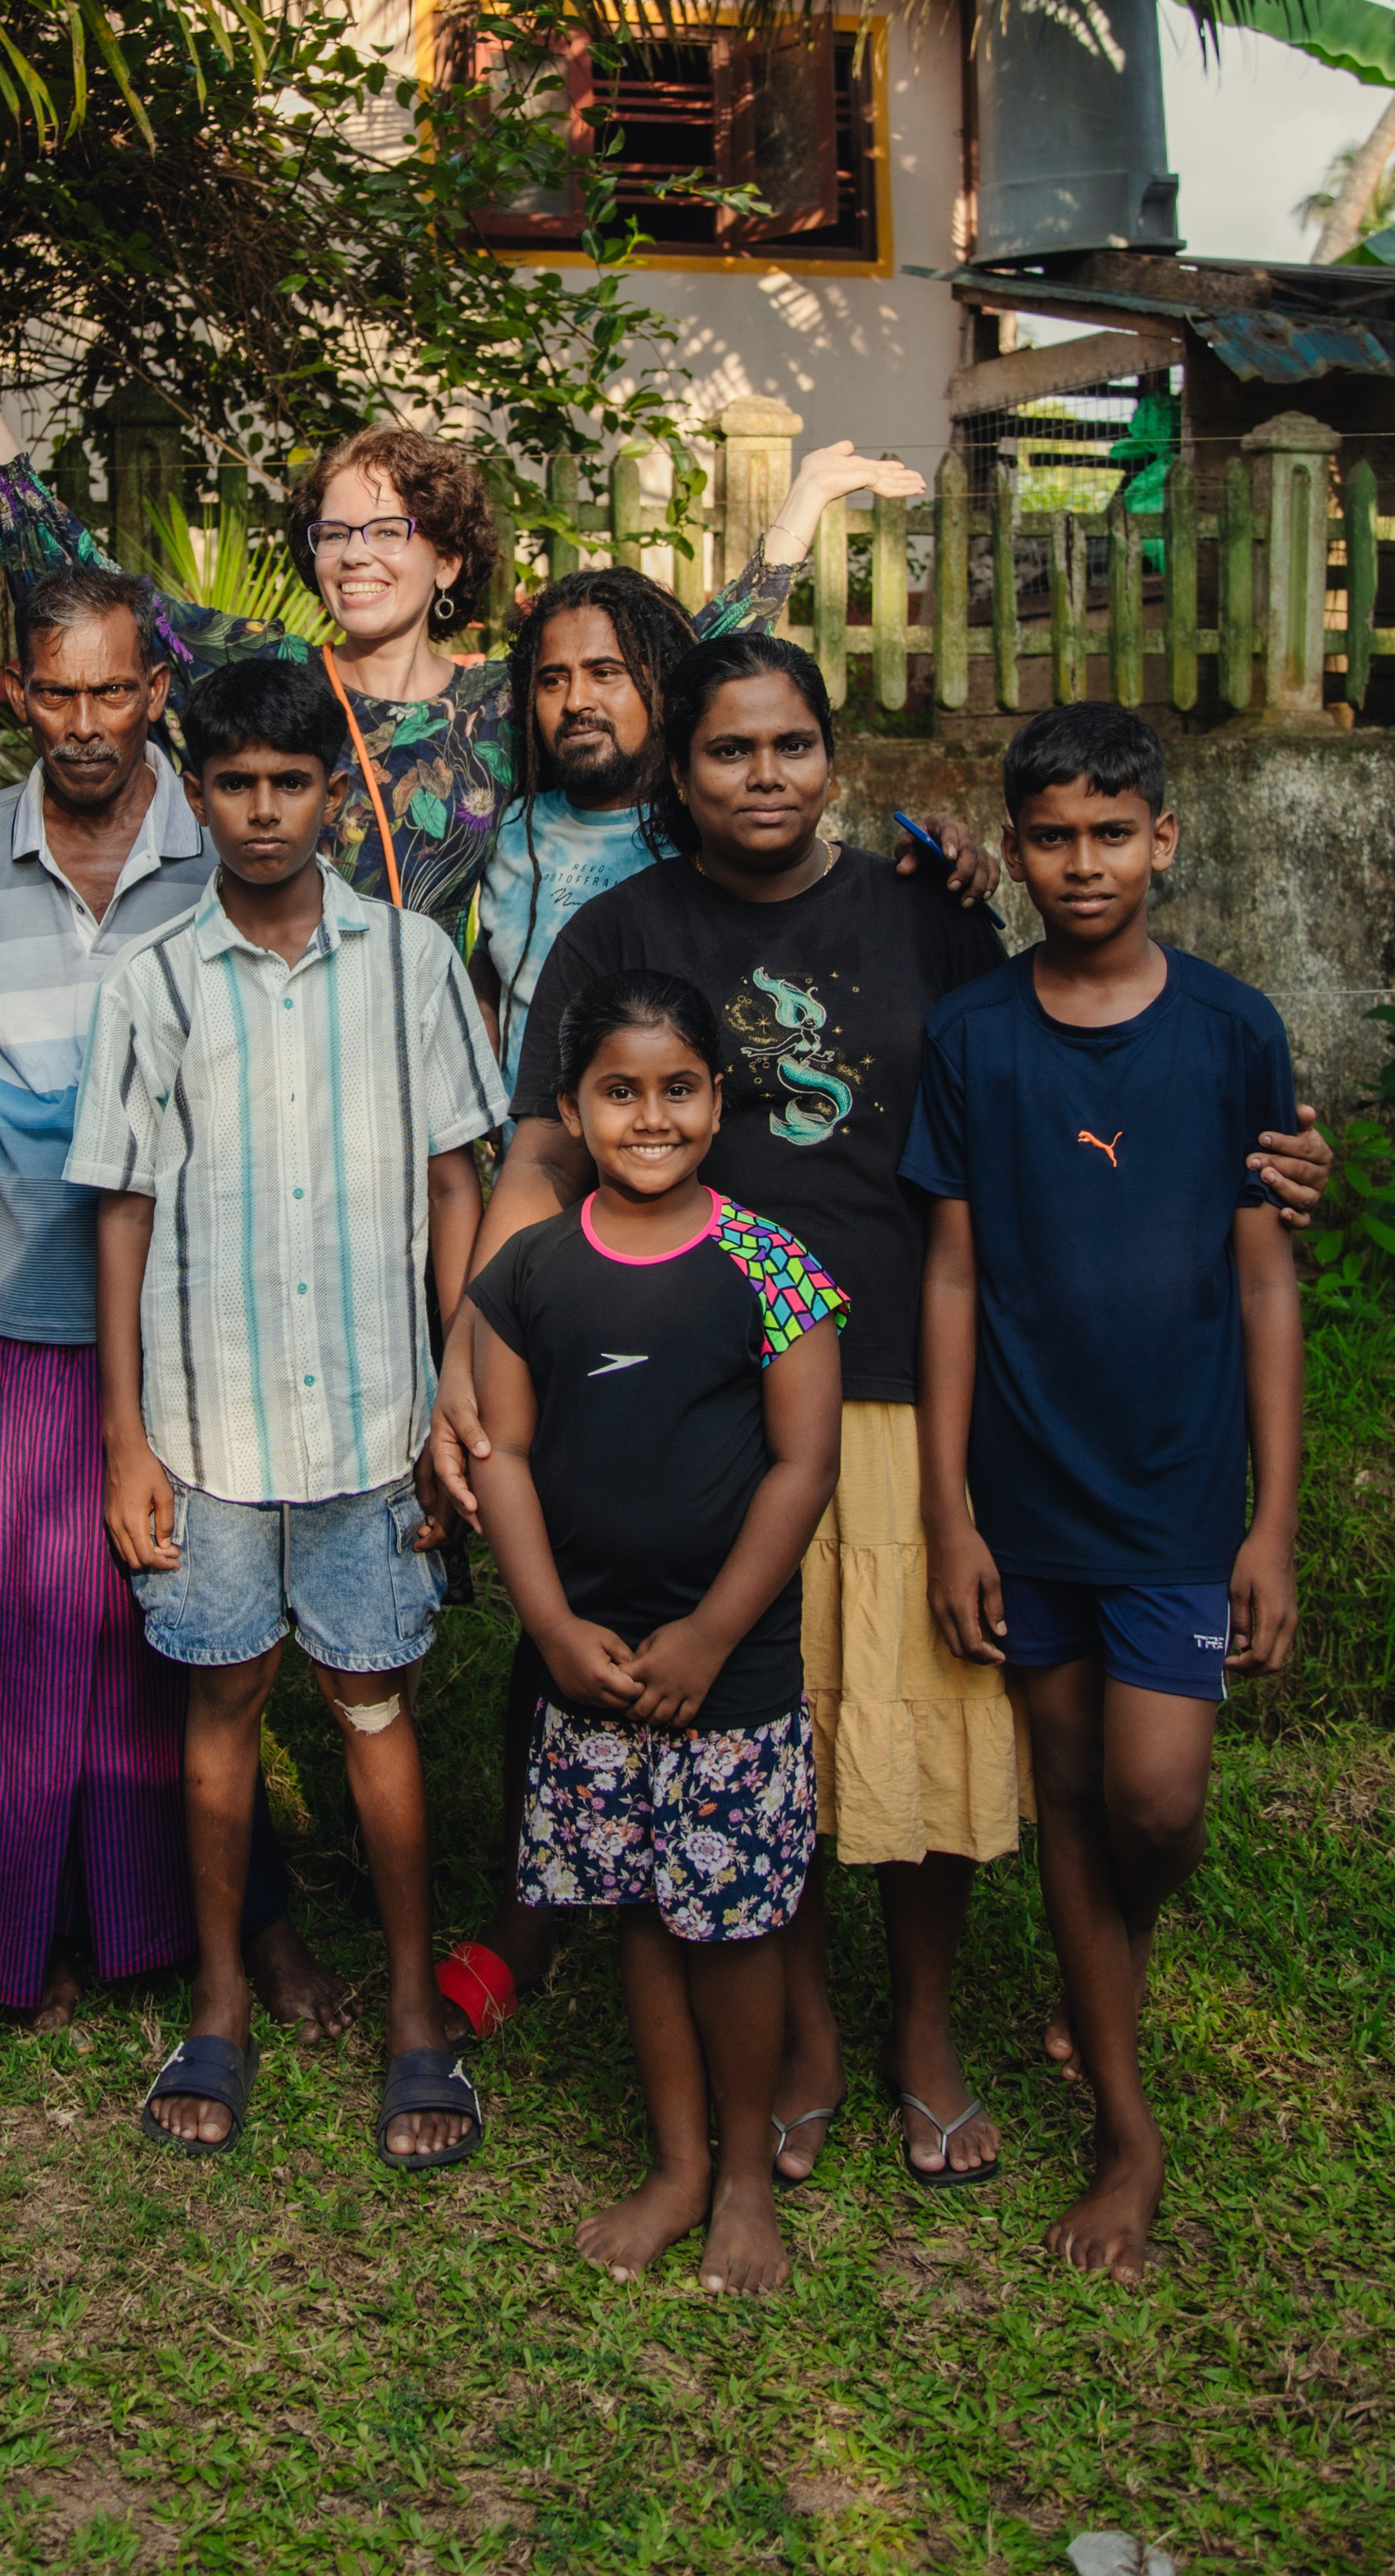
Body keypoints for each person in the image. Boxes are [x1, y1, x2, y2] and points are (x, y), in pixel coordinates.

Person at [433, 636, 1332, 2188]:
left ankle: (922, 2027)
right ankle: (800, 2036)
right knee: (769, 1726)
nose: (763, 776)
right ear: (680, 771)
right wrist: (471, 1339)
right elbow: (535, 1157)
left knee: (919, 1727)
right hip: (701, 1399)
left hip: (909, 1385)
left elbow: (1048, 1091)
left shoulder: (931, 918)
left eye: (792, 746)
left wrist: (1257, 1164)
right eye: (728, 751)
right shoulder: (618, 928)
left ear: (838, 758)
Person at [0, 316, 939, 945]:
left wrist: (799, 509)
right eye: (331, 533)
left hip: (446, 1054)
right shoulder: (263, 670)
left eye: (387, 528)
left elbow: (681, 667)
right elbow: (79, 586)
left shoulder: (511, 697)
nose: (355, 553)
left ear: (447, 559)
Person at [0, 562, 347, 2037]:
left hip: (205, 1310)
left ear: (156, 692)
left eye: (114, 691)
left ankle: (211, 1921)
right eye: (55, 692)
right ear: (16, 694)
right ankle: (32, 1935)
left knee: (187, 1620)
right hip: (29, 1301)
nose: (85, 724)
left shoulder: (224, 836)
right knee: (29, 1619)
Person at [69, 661, 508, 2163]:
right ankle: (219, 2004)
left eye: (292, 784)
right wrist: (127, 1435)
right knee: (223, 1707)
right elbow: (121, 1210)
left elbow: (460, 1177)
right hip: (208, 1425)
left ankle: (410, 2012)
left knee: (373, 1701)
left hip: (379, 1424)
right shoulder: (155, 983)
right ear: (198, 797)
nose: (263, 811)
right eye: (236, 783)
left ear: (339, 794)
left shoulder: (413, 965)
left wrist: (455, 1388)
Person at [906, 702, 1301, 2280]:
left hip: (1180, 1494)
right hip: (1026, 1487)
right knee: (1070, 1789)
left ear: (1165, 843)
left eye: (1112, 834)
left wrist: (1271, 1517)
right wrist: (948, 1508)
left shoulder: (1229, 1030)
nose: (1084, 865)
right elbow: (948, 1278)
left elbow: (1266, 1274)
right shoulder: (976, 1038)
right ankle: (1125, 2130)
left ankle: (1109, 1968)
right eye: (1053, 837)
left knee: (1158, 1798)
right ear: (1013, 852)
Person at [469, 967, 845, 2290]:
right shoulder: (529, 1272)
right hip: (594, 1664)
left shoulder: (772, 1266)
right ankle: (678, 2164)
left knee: (730, 1925)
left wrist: (709, 1635)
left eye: (678, 1089)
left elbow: (802, 1467)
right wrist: (554, 1629)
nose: (650, 1117)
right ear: (570, 1108)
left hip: (726, 1670)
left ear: (718, 1100)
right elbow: (505, 1455)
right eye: (619, 1092)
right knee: (640, 1909)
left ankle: (746, 2173)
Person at [469, 567, 698, 1086]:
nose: (575, 702)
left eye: (605, 672)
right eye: (554, 679)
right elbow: (494, 960)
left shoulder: (703, 836)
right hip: (528, 1158)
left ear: (658, 686)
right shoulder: (511, 831)